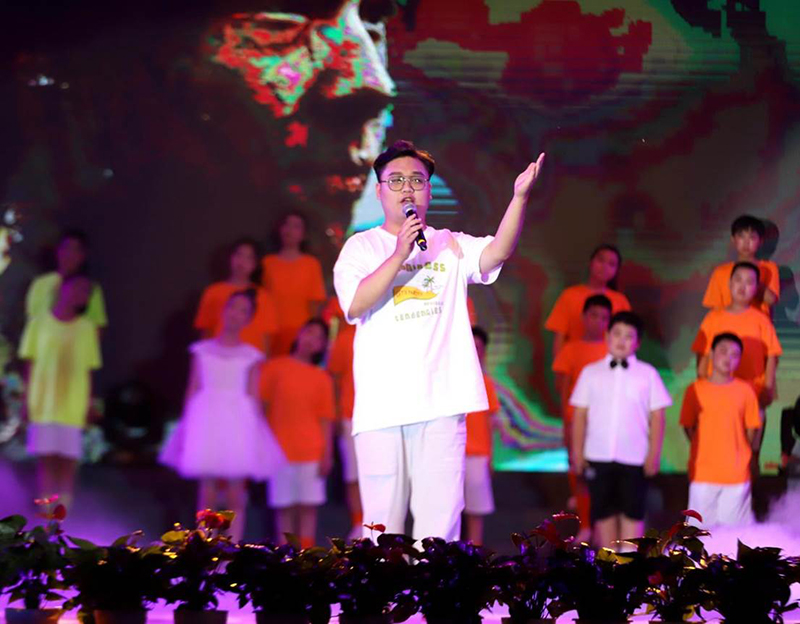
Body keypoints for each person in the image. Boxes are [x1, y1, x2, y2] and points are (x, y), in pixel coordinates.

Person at [333, 139, 544, 540]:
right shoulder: (361, 247)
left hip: (442, 401)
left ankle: (433, 583)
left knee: (440, 518)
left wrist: (518, 198)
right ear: (379, 190)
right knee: (381, 521)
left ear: (429, 191)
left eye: (416, 180)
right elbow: (356, 304)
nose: (407, 188)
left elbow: (496, 253)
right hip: (382, 405)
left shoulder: (449, 244)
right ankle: (383, 583)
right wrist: (399, 253)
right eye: (396, 180)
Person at [160, 289, 285, 541]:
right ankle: (203, 544)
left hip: (238, 420)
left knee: (235, 492)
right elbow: (193, 388)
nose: (236, 314)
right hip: (206, 418)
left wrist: (257, 433)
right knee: (206, 491)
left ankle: (231, 545)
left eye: (243, 311)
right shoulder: (202, 350)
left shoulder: (251, 355)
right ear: (224, 310)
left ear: (248, 319)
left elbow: (253, 395)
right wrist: (186, 426)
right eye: (233, 307)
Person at [570, 311, 671, 549]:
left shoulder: (648, 374)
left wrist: (653, 455)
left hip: (634, 457)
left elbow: (658, 417)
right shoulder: (590, 372)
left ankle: (629, 562)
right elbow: (579, 415)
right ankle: (609, 563)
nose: (621, 340)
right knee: (603, 512)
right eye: (617, 334)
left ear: (638, 343)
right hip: (598, 455)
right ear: (607, 336)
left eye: (629, 336)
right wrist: (577, 452)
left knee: (633, 512)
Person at [19, 275, 102, 511]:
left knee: (67, 460)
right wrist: (26, 399)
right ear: (64, 289)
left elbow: (88, 369)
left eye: (86, 292)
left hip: (72, 404)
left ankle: (63, 512)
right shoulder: (39, 323)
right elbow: (30, 363)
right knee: (46, 459)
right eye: (79, 289)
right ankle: (45, 510)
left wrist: (89, 403)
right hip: (44, 402)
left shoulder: (86, 328)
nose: (82, 296)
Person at [692, 261, 782, 459]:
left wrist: (768, 387)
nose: (743, 286)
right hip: (718, 393)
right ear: (730, 284)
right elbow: (703, 353)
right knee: (717, 449)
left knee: (749, 453)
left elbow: (772, 355)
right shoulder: (713, 318)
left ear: (756, 288)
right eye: (738, 280)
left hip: (752, 392)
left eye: (750, 282)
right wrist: (702, 382)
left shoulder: (761, 320)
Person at [260, 319, 336, 548]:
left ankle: (305, 557)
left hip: (311, 452)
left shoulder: (322, 378)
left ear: (322, 346)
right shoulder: (274, 368)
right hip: (279, 452)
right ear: (300, 334)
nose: (312, 340)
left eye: (319, 338)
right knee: (284, 509)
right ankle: (285, 557)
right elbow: (261, 409)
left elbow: (326, 420)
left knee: (308, 509)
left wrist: (326, 455)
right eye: (309, 332)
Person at [680, 332, 761, 526]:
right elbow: (689, 426)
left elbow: (751, 430)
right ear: (712, 353)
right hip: (702, 474)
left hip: (736, 475)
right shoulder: (695, 390)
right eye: (723, 351)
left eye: (735, 355)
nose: (728, 358)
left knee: (734, 536)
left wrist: (738, 450)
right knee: (698, 534)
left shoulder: (746, 391)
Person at [551, 293, 612, 540]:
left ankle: (601, 527)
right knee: (579, 474)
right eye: (593, 315)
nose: (598, 321)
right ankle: (585, 525)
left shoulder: (612, 351)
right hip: (577, 423)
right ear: (584, 317)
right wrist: (567, 425)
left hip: (605, 425)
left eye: (604, 317)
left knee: (603, 477)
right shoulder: (571, 349)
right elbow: (564, 390)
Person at [545, 244, 630, 360]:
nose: (604, 267)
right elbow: (559, 337)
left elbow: (627, 339)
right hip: (575, 362)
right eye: (601, 260)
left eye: (611, 264)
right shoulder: (570, 295)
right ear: (591, 262)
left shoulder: (620, 301)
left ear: (616, 271)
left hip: (608, 364)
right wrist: (560, 365)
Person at [194, 238, 279, 354]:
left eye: (248, 258)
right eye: (239, 255)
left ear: (255, 265)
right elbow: (206, 332)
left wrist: (263, 362)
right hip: (218, 356)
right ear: (231, 258)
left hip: (250, 359)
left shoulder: (263, 296)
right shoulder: (213, 292)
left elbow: (266, 338)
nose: (242, 261)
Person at [261, 212, 327, 356]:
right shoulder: (267, 263)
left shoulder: (311, 264)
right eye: (286, 224)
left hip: (299, 335)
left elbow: (315, 305)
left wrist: (311, 336)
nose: (289, 230)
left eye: (296, 226)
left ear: (304, 234)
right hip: (270, 333)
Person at [324, 296, 362, 540]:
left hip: (383, 415)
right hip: (350, 415)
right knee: (353, 473)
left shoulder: (386, 333)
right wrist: (337, 414)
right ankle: (359, 523)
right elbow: (335, 379)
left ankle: (379, 522)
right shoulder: (345, 339)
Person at [25, 230, 107, 329]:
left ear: (83, 256)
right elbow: (32, 319)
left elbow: (97, 326)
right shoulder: (40, 283)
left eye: (75, 250)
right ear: (58, 251)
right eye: (66, 248)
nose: (69, 255)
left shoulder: (91, 288)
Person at [464, 326, 500, 545]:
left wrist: (490, 457)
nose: (475, 351)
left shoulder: (486, 383)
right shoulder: (448, 379)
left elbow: (490, 423)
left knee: (475, 510)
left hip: (477, 455)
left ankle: (474, 550)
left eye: (479, 347)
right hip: (451, 453)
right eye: (472, 346)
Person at [703, 215, 780, 314]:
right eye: (741, 236)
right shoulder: (720, 272)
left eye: (752, 237)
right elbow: (715, 308)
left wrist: (752, 280)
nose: (746, 242)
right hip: (729, 322)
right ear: (733, 239)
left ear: (760, 241)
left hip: (758, 322)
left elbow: (771, 300)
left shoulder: (769, 268)